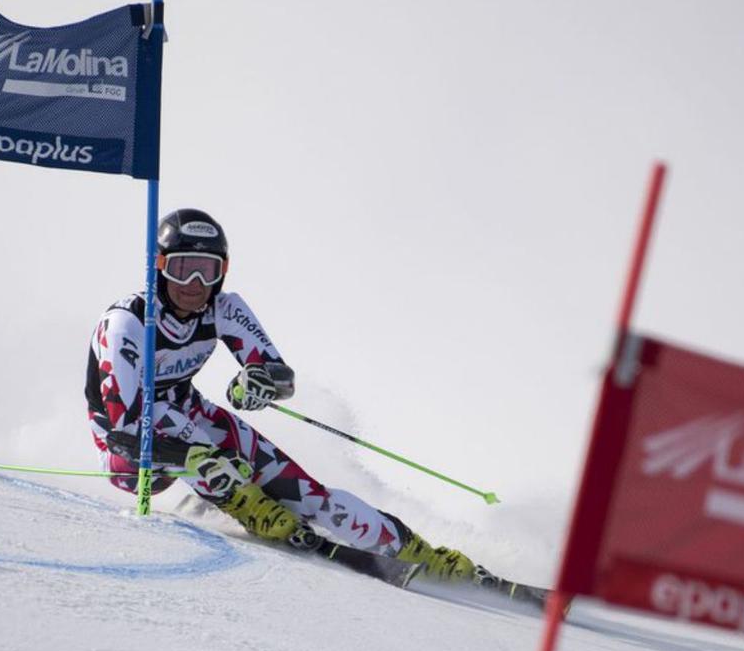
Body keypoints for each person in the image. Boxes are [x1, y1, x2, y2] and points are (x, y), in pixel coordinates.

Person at [85, 208, 487, 583]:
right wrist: (197, 460)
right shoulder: (127, 323)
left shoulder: (224, 308)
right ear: (159, 268)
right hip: (127, 453)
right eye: (182, 269)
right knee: (197, 449)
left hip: (189, 414)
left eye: (207, 271)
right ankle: (255, 511)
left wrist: (257, 382)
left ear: (221, 273)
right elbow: (125, 430)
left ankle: (424, 554)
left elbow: (281, 376)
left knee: (309, 494)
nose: (194, 285)